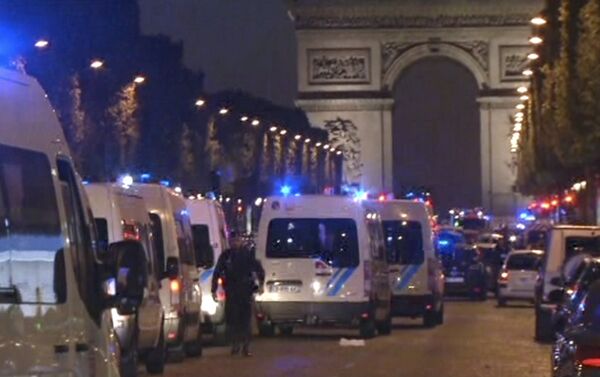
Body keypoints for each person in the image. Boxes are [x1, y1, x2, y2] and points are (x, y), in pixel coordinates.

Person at [211, 235, 265, 356]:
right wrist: (214, 289)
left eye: (237, 240)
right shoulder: (227, 255)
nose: (235, 243)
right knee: (234, 319)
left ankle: (244, 346)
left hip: (243, 291)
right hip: (233, 291)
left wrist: (261, 284)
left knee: (243, 320)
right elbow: (218, 271)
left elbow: (258, 269)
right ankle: (237, 345)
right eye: (233, 240)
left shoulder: (244, 255)